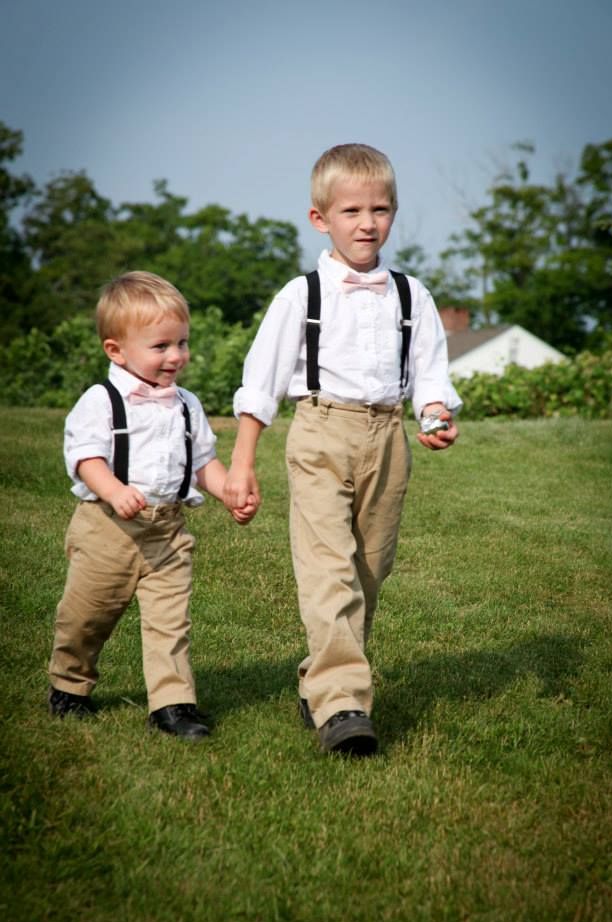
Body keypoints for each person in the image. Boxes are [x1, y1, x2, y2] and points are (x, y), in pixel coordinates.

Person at [223, 143, 462, 757]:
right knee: (329, 571)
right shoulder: (301, 296)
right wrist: (242, 465)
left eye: (380, 209)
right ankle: (343, 705)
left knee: (367, 570)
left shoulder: (412, 296)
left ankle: (319, 680)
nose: (367, 222)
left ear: (393, 214)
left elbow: (430, 375)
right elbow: (261, 383)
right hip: (320, 432)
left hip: (388, 438)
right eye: (352, 210)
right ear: (320, 218)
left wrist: (435, 413)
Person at [48, 271, 257, 741]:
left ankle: (172, 705)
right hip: (108, 529)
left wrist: (229, 492)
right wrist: (114, 489)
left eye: (181, 344)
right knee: (87, 615)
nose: (176, 357)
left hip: (167, 532)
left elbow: (203, 460)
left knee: (170, 622)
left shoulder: (186, 404)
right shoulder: (101, 401)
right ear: (116, 351)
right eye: (160, 347)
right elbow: (85, 458)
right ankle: (69, 683)